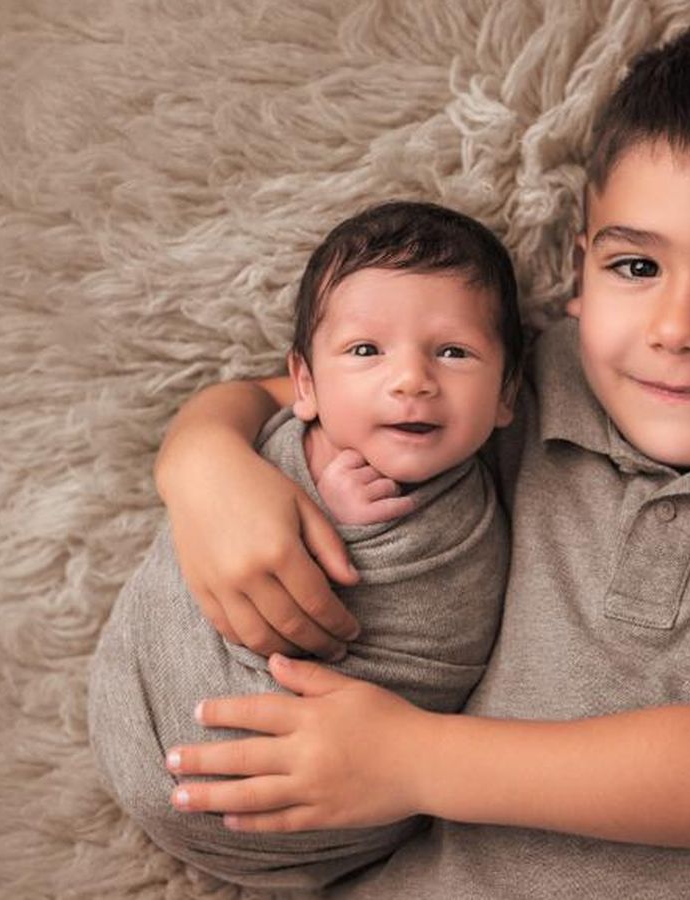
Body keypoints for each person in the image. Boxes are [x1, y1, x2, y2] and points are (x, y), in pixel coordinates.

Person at [150, 10, 690, 898]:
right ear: (581, 272)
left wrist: (411, 758)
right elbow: (292, 395)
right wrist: (202, 461)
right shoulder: (520, 388)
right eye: (636, 268)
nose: (677, 330)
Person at [87, 200, 523, 892]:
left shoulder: (472, 521)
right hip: (140, 719)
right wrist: (308, 489)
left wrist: (356, 533)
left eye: (452, 352)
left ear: (506, 396)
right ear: (306, 386)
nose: (411, 379)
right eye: (366, 351)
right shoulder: (268, 450)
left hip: (336, 807)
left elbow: (448, 633)